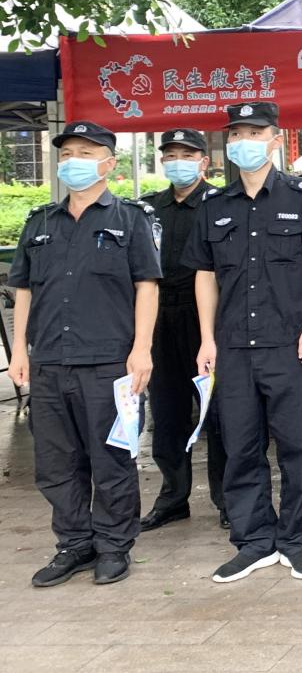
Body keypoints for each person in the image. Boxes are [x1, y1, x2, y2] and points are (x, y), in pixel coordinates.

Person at [184, 102, 302, 583]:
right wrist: (207, 338)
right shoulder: (214, 206)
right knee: (240, 446)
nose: (244, 143)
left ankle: (295, 540)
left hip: (288, 344)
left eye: (254, 134)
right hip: (232, 347)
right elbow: (204, 275)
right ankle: (254, 541)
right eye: (236, 134)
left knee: (296, 445)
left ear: (276, 140)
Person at [9, 120, 161, 587]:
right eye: (67, 154)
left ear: (109, 165)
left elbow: (147, 286)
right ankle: (74, 544)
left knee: (111, 458)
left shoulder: (130, 219)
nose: (73, 161)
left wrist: (141, 349)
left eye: (85, 153)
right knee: (56, 463)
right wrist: (20, 350)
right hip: (50, 361)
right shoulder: (40, 221)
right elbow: (23, 290)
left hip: (109, 363)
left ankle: (113, 545)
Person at [140, 128, 228, 533]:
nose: (178, 162)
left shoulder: (220, 203)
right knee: (167, 410)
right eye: (171, 155)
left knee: (217, 411)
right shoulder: (148, 209)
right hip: (160, 316)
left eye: (187, 155)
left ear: (203, 162)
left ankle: (226, 498)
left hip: (205, 316)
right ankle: (173, 497)